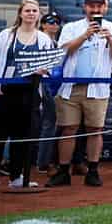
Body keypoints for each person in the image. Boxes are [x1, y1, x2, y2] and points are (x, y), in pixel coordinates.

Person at [48, 0, 112, 188]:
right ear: (85, 7)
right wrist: (85, 35)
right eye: (92, 5)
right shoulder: (72, 27)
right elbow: (63, 51)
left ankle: (93, 169)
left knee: (95, 130)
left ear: (105, 7)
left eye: (99, 6)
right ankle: (63, 170)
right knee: (68, 129)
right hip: (71, 86)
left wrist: (110, 39)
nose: (96, 9)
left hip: (97, 87)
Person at [0, 0, 56, 193]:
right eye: (28, 10)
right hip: (4, 90)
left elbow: (48, 65)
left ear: (38, 15)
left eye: (34, 11)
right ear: (20, 13)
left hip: (30, 93)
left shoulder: (44, 39)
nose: (31, 14)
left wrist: (43, 69)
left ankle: (16, 176)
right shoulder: (6, 35)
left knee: (22, 136)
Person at [36, 10, 63, 174]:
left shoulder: (57, 43)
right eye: (50, 22)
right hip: (41, 84)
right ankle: (42, 162)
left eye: (56, 23)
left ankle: (44, 161)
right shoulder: (39, 40)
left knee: (50, 124)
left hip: (54, 86)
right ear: (43, 24)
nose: (54, 25)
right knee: (46, 124)